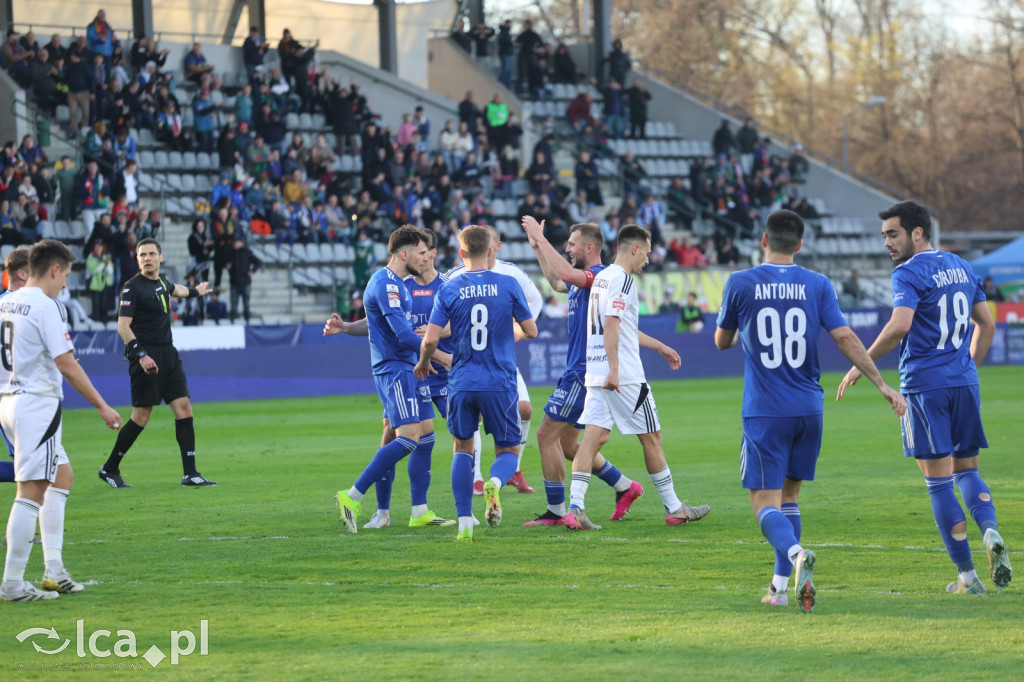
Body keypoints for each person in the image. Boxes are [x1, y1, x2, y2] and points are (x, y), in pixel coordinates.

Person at [715, 209, 906, 612]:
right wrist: (882, 384)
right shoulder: (817, 284)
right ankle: (779, 589)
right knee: (790, 497)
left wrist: (740, 333)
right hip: (809, 408)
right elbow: (845, 337)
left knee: (763, 502)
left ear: (763, 241)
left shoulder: (740, 282)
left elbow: (721, 341)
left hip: (766, 410)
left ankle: (797, 553)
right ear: (799, 245)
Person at [838, 200, 1013, 595]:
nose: (887, 242)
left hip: (924, 387)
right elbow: (986, 324)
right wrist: (969, 368)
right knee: (968, 470)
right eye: (884, 235)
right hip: (963, 383)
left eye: (893, 234)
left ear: (918, 232)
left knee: (938, 484)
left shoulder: (908, 272)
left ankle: (968, 578)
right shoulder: (963, 266)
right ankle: (990, 531)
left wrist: (860, 363)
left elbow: (900, 326)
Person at [566, 225, 711, 530]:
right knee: (652, 438)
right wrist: (616, 368)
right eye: (646, 252)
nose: (648, 258)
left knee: (590, 442)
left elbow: (623, 327)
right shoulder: (623, 279)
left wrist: (659, 346)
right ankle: (675, 508)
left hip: (595, 373)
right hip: (625, 376)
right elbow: (612, 324)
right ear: (633, 249)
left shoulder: (602, 278)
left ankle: (575, 508)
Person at [0, 240, 121, 601]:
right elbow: (66, 363)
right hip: (36, 404)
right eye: (65, 274)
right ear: (54, 269)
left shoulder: (6, 302)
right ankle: (13, 583)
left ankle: (54, 569)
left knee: (61, 475)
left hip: (9, 401)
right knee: (32, 490)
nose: (66, 283)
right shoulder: (45, 305)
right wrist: (102, 405)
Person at [325, 228, 455, 529]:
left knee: (425, 436)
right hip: (394, 368)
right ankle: (353, 495)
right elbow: (404, 334)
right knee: (406, 439)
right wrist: (441, 357)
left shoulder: (397, 284)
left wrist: (345, 327)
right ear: (404, 254)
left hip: (410, 367)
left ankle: (419, 511)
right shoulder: (387, 285)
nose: (426, 258)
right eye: (421, 253)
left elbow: (374, 323)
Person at [520, 217, 645, 527]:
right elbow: (557, 281)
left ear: (590, 247)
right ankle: (625, 486)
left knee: (546, 436)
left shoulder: (599, 276)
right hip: (580, 371)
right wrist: (537, 245)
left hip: (582, 371)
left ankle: (557, 510)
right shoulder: (582, 281)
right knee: (567, 444)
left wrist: (540, 236)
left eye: (572, 244)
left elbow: (563, 273)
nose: (568, 248)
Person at [416, 225, 538, 541]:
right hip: (499, 380)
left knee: (461, 449)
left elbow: (430, 339)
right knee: (508, 449)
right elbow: (532, 330)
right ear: (490, 251)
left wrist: (424, 362)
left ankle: (464, 522)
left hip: (462, 380)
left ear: (461, 253)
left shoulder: (450, 287)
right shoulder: (509, 283)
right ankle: (496, 481)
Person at [97, 238, 216, 489]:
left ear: (161, 257)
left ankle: (190, 474)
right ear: (138, 259)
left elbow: (177, 290)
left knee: (184, 408)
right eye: (142, 255)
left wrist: (197, 290)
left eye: (152, 254)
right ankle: (109, 468)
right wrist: (141, 355)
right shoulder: (132, 288)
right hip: (145, 356)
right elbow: (122, 327)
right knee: (141, 417)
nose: (147, 258)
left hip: (168, 354)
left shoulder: (162, 282)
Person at [445, 225, 544, 495]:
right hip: (472, 362)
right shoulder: (455, 277)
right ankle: (478, 477)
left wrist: (516, 331)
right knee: (471, 421)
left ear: (495, 247)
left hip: (501, 361)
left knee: (525, 409)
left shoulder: (511, 274)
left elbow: (535, 300)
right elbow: (445, 315)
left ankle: (511, 472)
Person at [227, 238, 261, 324]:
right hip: (234, 282)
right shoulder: (231, 253)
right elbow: (226, 263)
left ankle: (247, 320)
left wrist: (253, 270)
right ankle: (232, 321)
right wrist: (227, 266)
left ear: (241, 243)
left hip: (245, 282)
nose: (234, 244)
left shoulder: (247, 252)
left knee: (246, 303)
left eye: (236, 242)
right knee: (233, 304)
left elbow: (258, 262)